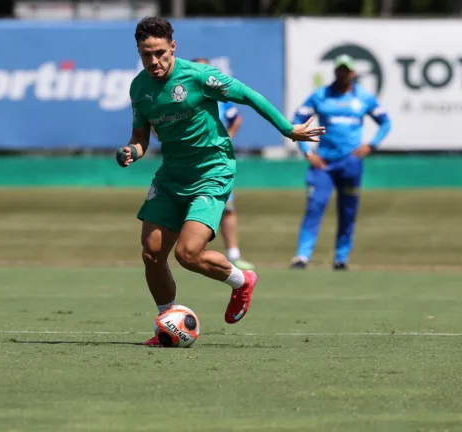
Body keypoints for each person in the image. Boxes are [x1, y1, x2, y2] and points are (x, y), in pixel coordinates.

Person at [116, 17, 324, 346]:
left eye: (159, 53)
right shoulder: (139, 87)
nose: (153, 61)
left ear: (173, 47)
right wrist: (131, 150)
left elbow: (249, 96)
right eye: (145, 54)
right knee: (152, 253)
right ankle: (167, 323)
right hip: (172, 175)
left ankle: (242, 281)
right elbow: (141, 136)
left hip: (212, 172)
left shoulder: (199, 77)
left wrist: (288, 129)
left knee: (188, 253)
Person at [289, 54, 391, 271]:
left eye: (347, 70)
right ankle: (302, 256)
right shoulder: (320, 96)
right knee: (314, 206)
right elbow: (297, 120)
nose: (343, 73)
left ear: (353, 73)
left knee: (348, 210)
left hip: (351, 162)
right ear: (335, 71)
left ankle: (341, 257)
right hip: (323, 163)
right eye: (340, 69)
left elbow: (385, 122)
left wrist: (371, 145)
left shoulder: (364, 97)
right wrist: (307, 151)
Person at [192, 57, 254, 271]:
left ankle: (234, 254)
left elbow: (236, 117)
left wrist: (227, 137)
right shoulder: (181, 95)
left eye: (206, 67)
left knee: (227, 208)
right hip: (186, 162)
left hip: (215, 163)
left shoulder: (220, 97)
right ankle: (184, 253)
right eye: (199, 67)